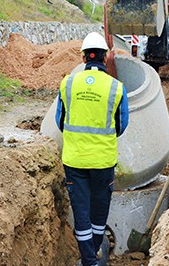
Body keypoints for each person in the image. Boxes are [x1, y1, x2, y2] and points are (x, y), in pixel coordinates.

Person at [55, 32, 129, 266]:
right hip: (103, 162)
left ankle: (88, 260)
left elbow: (60, 120)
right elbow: (121, 125)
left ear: (84, 58)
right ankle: (95, 254)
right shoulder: (116, 88)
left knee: (81, 212)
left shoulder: (68, 83)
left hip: (74, 160)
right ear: (105, 58)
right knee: (99, 212)